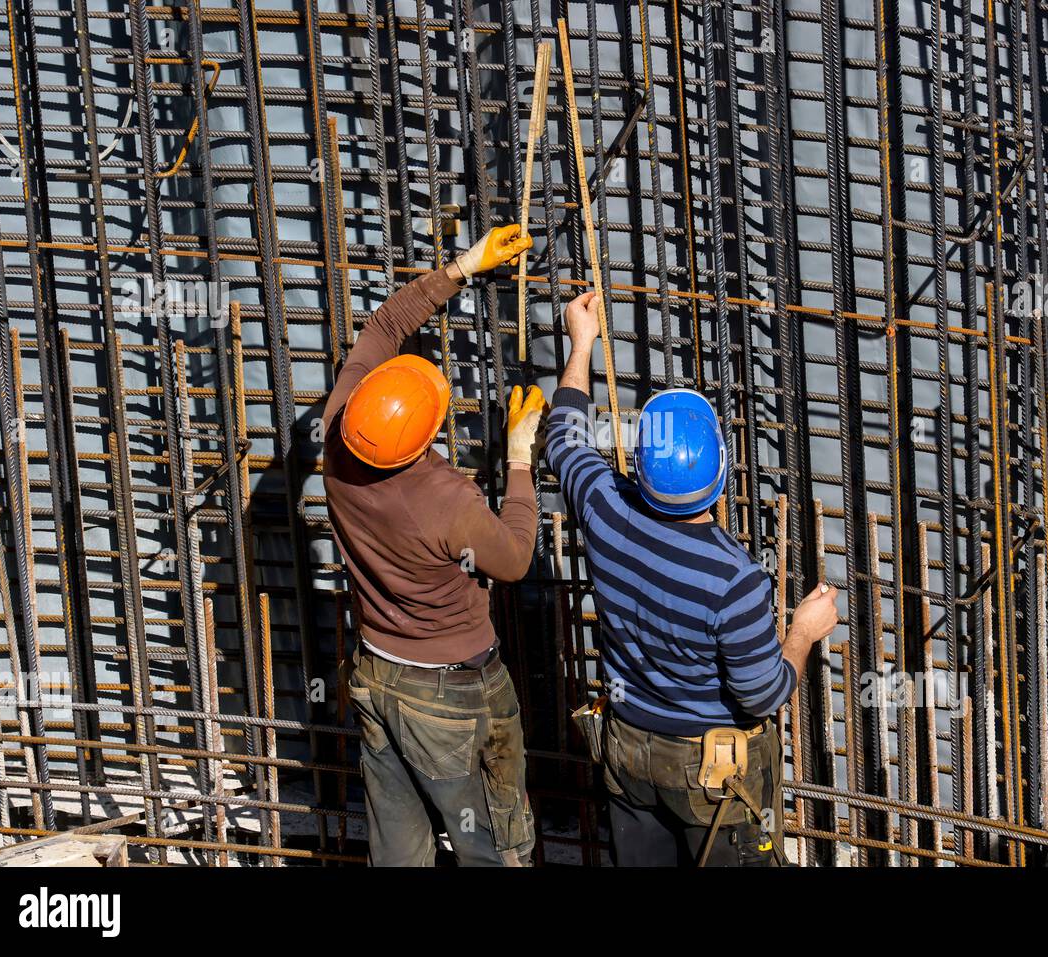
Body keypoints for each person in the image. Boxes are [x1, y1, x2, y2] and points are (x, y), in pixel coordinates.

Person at [544, 290, 840, 866]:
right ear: (722, 472)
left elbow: (565, 438)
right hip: (709, 774)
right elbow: (761, 695)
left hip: (627, 751)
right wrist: (803, 631)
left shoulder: (604, 508)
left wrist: (581, 343)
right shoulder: (735, 581)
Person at [323, 223, 545, 866]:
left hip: (375, 672)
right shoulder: (445, 500)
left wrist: (461, 268)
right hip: (451, 692)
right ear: (425, 443)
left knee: (399, 843)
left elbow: (383, 327)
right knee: (488, 842)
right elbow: (513, 559)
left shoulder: (341, 433)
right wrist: (522, 461)